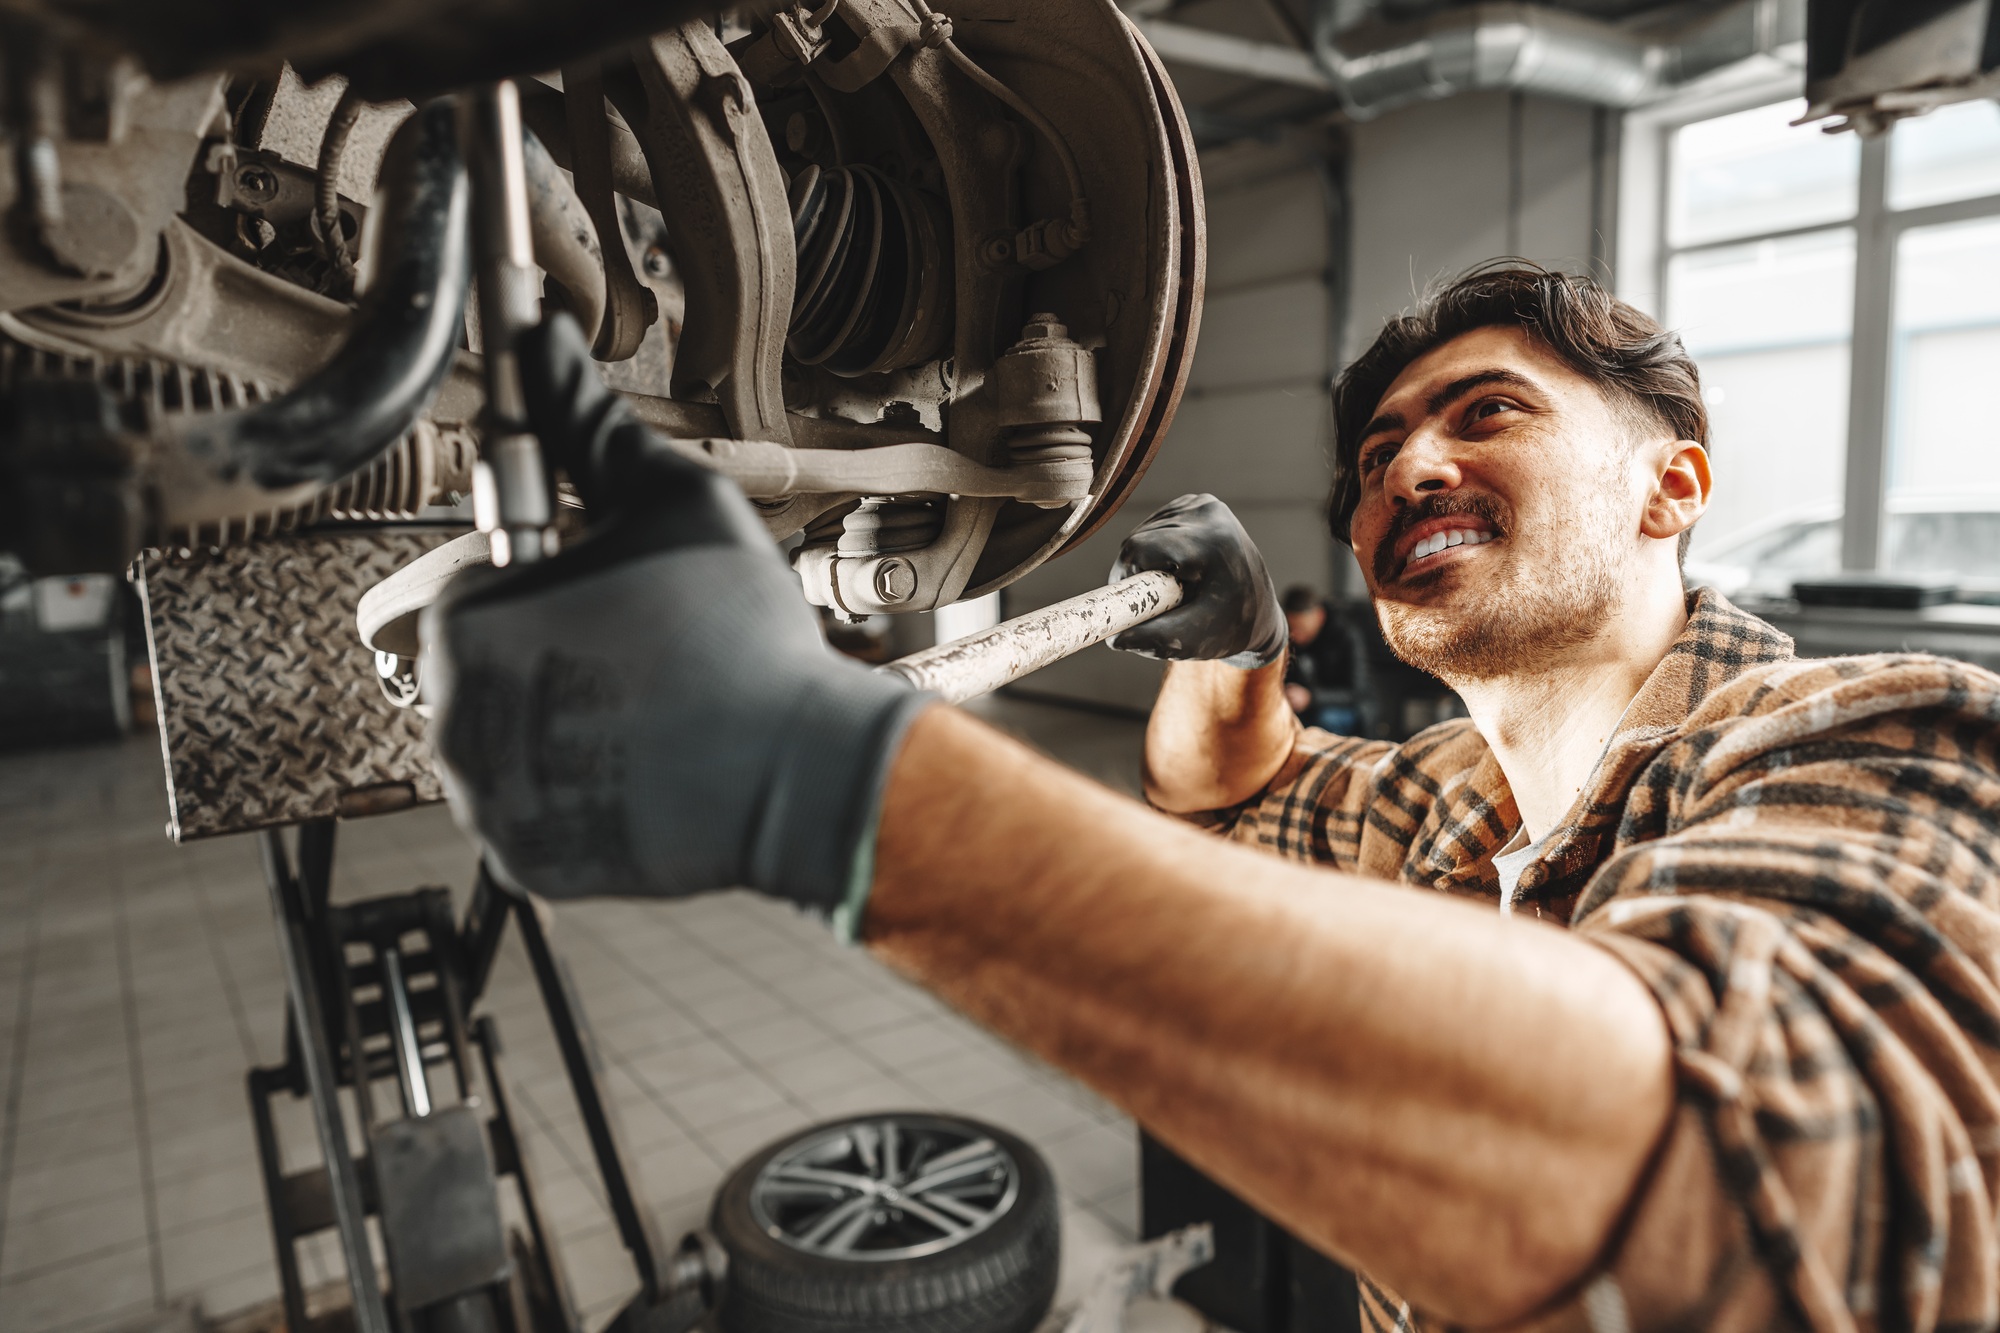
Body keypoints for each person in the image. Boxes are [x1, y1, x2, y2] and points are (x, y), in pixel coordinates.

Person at [424, 265, 2000, 1332]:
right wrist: (1241, 645)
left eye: (1488, 412)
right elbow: (1224, 796)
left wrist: (826, 781)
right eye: (1378, 454)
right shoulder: (1450, 808)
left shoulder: (1875, 736)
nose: (1408, 471)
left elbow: (1775, 1181)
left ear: (1676, 485)